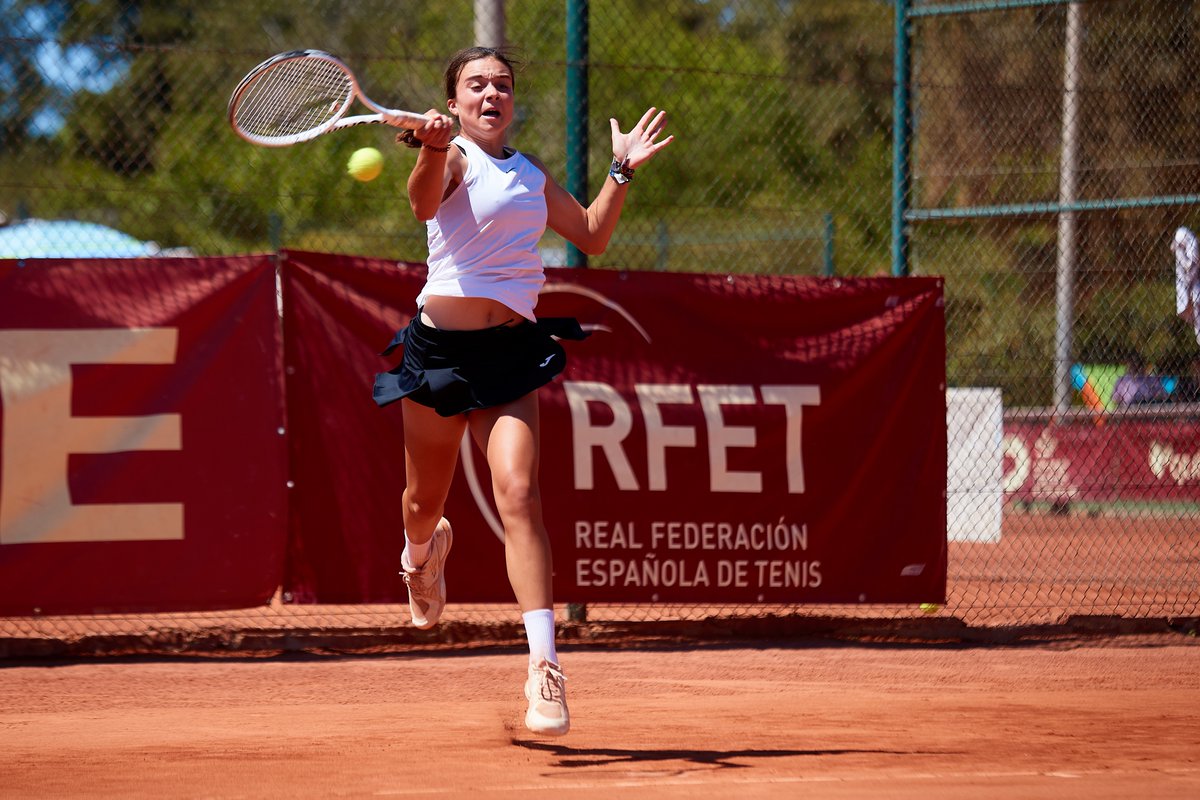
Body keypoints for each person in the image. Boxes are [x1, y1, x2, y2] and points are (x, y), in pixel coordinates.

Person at [372, 46, 673, 737]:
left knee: (519, 494)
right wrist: (431, 149)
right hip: (439, 356)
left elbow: (592, 234)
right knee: (422, 504)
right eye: (476, 85)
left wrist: (621, 170)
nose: (491, 94)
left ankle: (544, 669)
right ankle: (420, 555)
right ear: (454, 102)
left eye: (501, 85)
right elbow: (422, 202)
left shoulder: (530, 174)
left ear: (512, 100)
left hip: (509, 354)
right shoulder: (450, 158)